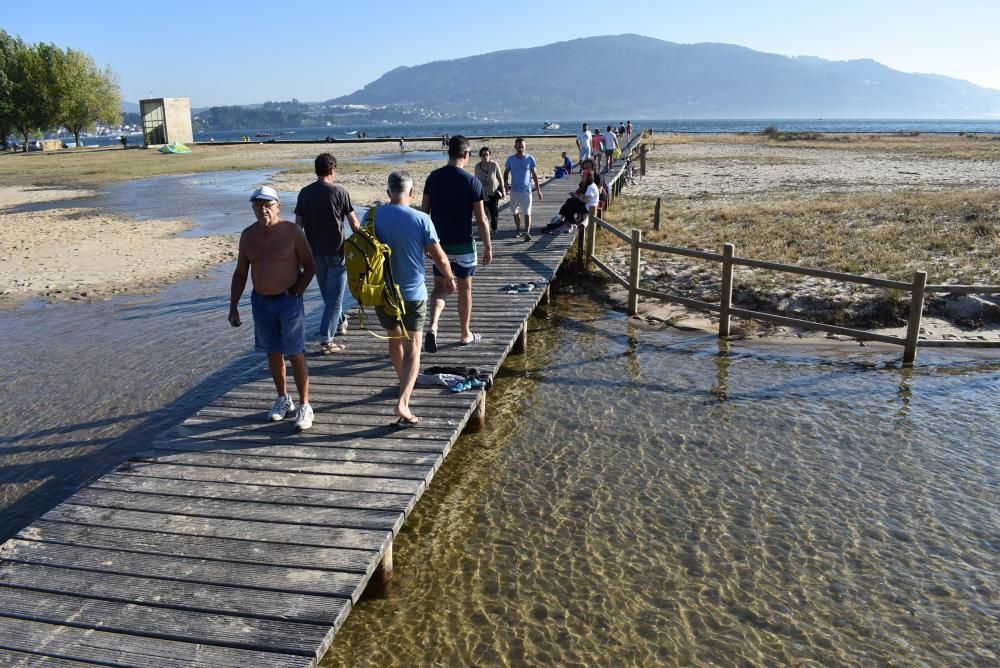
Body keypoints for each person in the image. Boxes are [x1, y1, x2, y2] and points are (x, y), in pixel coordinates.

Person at [369, 171, 455, 425]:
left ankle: (403, 383)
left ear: (388, 192)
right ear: (411, 193)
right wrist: (449, 277)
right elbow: (439, 256)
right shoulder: (421, 219)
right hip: (412, 294)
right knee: (413, 349)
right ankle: (403, 402)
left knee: (394, 340)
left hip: (382, 293)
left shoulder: (372, 216)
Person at [229, 186, 317, 431]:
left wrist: (298, 290)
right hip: (261, 301)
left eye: (268, 205)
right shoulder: (248, 236)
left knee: (295, 352)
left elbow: (310, 266)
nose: (263, 210)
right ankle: (283, 399)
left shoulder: (292, 232)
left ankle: (305, 405)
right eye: (258, 206)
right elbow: (240, 273)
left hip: (289, 301)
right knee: (272, 352)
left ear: (278, 206)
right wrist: (233, 306)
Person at [422, 134, 493, 351]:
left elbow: (424, 213)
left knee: (439, 289)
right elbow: (481, 219)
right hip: (463, 245)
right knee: (465, 290)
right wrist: (488, 246)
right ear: (466, 154)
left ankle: (433, 326)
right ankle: (465, 334)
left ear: (449, 152)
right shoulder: (472, 181)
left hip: (439, 246)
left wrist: (426, 243)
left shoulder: (433, 178)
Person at [295, 153, 361, 354]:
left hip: (313, 254)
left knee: (329, 296)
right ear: (333, 169)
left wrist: (297, 254)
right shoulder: (340, 191)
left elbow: (298, 227)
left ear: (316, 170)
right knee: (334, 300)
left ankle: (340, 322)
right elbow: (354, 224)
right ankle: (326, 338)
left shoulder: (304, 193)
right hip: (337, 253)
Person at [502, 137, 543, 241]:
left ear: (525, 147)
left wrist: (538, 190)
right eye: (519, 146)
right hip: (514, 190)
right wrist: (506, 184)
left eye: (522, 147)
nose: (520, 148)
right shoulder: (511, 159)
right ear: (515, 147)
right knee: (515, 211)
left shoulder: (530, 159)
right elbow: (506, 172)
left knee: (527, 212)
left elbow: (534, 175)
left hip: (526, 191)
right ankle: (518, 229)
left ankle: (527, 233)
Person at [474, 146, 504, 234]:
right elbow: (476, 180)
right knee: (483, 212)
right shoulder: (477, 166)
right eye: (483, 155)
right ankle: (485, 229)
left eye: (487, 154)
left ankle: (494, 229)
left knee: (494, 212)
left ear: (490, 155)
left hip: (493, 192)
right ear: (480, 156)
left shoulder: (494, 165)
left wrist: (503, 190)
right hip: (482, 193)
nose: (485, 156)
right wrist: (481, 182)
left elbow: (500, 178)